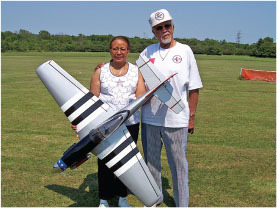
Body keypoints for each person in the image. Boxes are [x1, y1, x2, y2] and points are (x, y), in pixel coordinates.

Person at [138, 9, 203, 207]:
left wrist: (191, 117)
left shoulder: (185, 51)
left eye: (167, 26)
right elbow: (137, 80)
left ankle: (181, 203)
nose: (164, 30)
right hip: (149, 119)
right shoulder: (147, 52)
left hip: (177, 120)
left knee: (179, 166)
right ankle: (155, 201)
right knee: (152, 165)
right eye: (159, 27)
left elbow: (194, 87)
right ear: (154, 32)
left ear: (173, 27)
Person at [73, 36, 146, 207]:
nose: (119, 52)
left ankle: (122, 197)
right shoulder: (101, 71)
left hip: (130, 124)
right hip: (105, 125)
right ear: (110, 51)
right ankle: (104, 198)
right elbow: (92, 98)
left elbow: (141, 96)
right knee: (105, 160)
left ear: (128, 51)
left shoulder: (137, 71)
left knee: (126, 162)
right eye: (115, 48)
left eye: (122, 49)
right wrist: (81, 122)